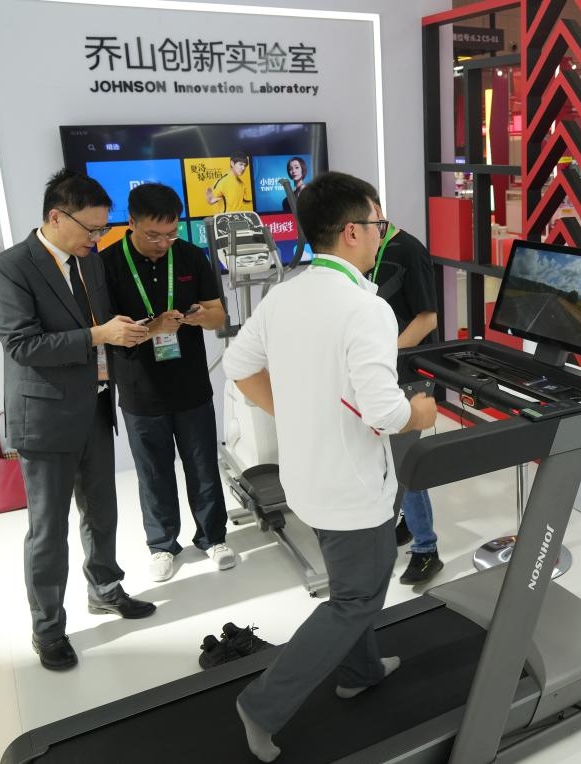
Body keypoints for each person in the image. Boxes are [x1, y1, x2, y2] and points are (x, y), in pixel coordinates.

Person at [223, 171, 437, 762]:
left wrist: (291, 412)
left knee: (356, 585)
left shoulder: (285, 293)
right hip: (350, 486)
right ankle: (262, 704)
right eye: (377, 224)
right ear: (350, 232)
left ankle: (361, 672)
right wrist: (420, 412)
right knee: (355, 599)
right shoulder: (364, 309)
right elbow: (385, 411)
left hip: (309, 477)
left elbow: (239, 364)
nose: (381, 234)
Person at [0, 169, 156, 671]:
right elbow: (22, 345)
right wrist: (97, 336)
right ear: (54, 217)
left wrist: (129, 334)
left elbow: (100, 329)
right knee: (47, 529)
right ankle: (48, 628)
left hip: (94, 406)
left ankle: (105, 587)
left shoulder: (89, 264)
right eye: (90, 229)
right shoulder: (11, 267)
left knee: (102, 510)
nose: (97, 238)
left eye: (101, 230)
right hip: (44, 418)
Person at [100, 183, 235, 583]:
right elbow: (107, 332)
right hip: (140, 389)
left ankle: (213, 537)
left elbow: (218, 315)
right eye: (153, 235)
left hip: (191, 384)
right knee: (153, 472)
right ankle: (162, 545)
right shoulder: (108, 264)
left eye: (170, 233)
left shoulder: (191, 255)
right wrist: (154, 326)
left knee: (203, 466)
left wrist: (194, 317)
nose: (163, 243)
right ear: (132, 223)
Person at [357, 182, 443, 586]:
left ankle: (427, 550)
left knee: (405, 461)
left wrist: (387, 355)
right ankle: (408, 523)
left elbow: (428, 319)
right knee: (386, 459)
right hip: (377, 369)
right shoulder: (360, 252)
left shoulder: (408, 250)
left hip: (407, 371)